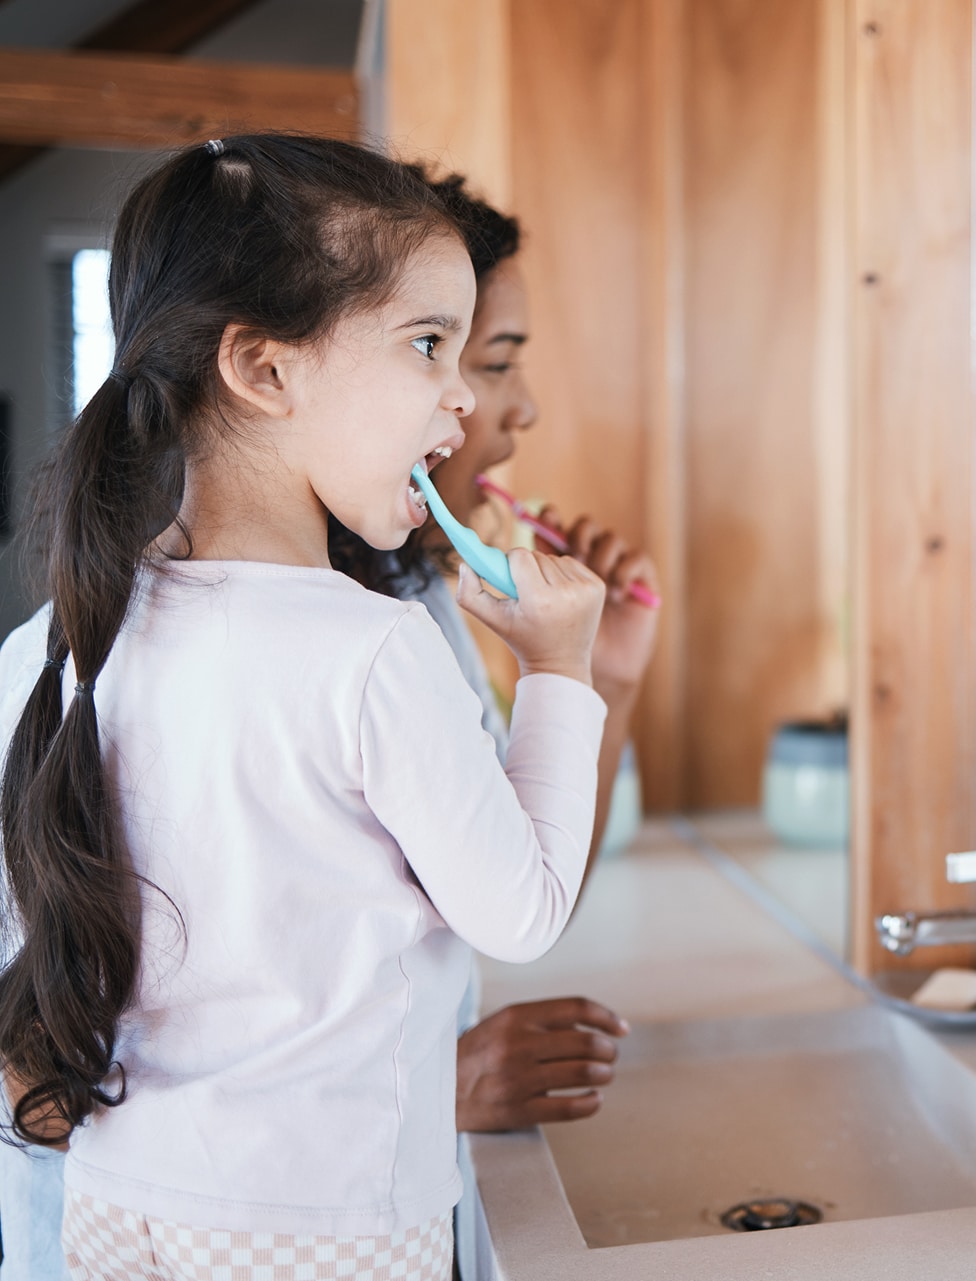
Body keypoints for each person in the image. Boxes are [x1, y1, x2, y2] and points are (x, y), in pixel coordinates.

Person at [0, 134, 606, 1276]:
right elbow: (519, 912)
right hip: (324, 1227)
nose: (463, 401)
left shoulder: (73, 635)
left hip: (117, 1207)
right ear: (265, 370)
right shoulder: (372, 649)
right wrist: (562, 671)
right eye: (430, 346)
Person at [328, 170, 657, 1278]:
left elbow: (522, 887)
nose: (507, 410)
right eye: (482, 357)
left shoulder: (413, 600)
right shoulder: (103, 656)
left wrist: (601, 681)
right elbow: (42, 1068)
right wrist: (438, 1083)